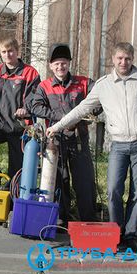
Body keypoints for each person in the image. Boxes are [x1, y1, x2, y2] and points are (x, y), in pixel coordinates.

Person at [46, 42, 137, 250]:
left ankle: (130, 236)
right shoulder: (104, 85)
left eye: (128, 59)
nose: (123, 62)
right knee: (113, 190)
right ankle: (116, 233)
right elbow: (81, 109)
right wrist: (58, 126)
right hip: (118, 145)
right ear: (113, 60)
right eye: (120, 58)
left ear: (133, 60)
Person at [26, 43, 99, 225]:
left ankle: (88, 221)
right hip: (55, 142)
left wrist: (80, 116)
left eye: (64, 63)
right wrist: (62, 118)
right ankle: (62, 220)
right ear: (51, 66)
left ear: (69, 63)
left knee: (84, 182)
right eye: (57, 64)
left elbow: (98, 102)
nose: (60, 67)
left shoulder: (84, 83)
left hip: (79, 140)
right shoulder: (44, 86)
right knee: (59, 181)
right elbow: (35, 106)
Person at [0, 36, 41, 188]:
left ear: (17, 51)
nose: (7, 55)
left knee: (16, 172)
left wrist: (26, 109)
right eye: (3, 52)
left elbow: (34, 97)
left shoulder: (30, 73)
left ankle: (12, 188)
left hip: (20, 127)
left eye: (10, 51)